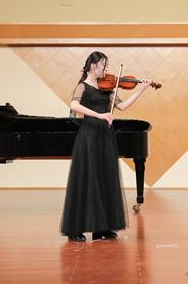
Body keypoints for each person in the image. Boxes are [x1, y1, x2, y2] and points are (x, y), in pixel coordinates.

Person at [60, 51, 152, 242]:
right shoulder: (82, 86)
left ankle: (101, 227)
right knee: (88, 179)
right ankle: (75, 229)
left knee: (105, 177)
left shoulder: (107, 88)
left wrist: (141, 90)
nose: (106, 69)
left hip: (105, 136)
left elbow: (122, 106)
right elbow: (74, 105)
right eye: (103, 65)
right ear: (94, 66)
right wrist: (99, 115)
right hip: (89, 136)